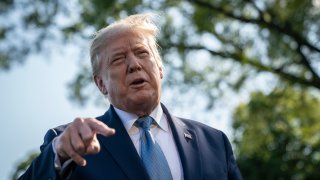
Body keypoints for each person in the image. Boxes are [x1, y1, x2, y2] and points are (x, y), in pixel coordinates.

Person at [19, 13, 242, 180]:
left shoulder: (214, 143)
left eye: (142, 53)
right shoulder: (71, 144)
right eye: (118, 59)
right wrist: (58, 154)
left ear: (160, 68)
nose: (134, 65)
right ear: (101, 84)